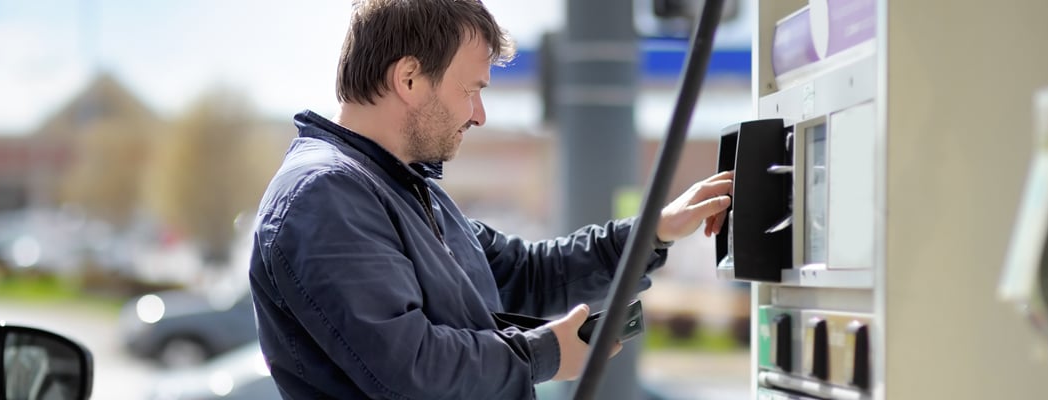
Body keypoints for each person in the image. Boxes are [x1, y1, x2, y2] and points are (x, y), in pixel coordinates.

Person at [247, 1, 733, 398]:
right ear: (409, 78)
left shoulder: (403, 191)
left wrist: (657, 230)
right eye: (472, 90)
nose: (479, 114)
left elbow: (527, 273)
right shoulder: (325, 196)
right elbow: (410, 371)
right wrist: (544, 354)